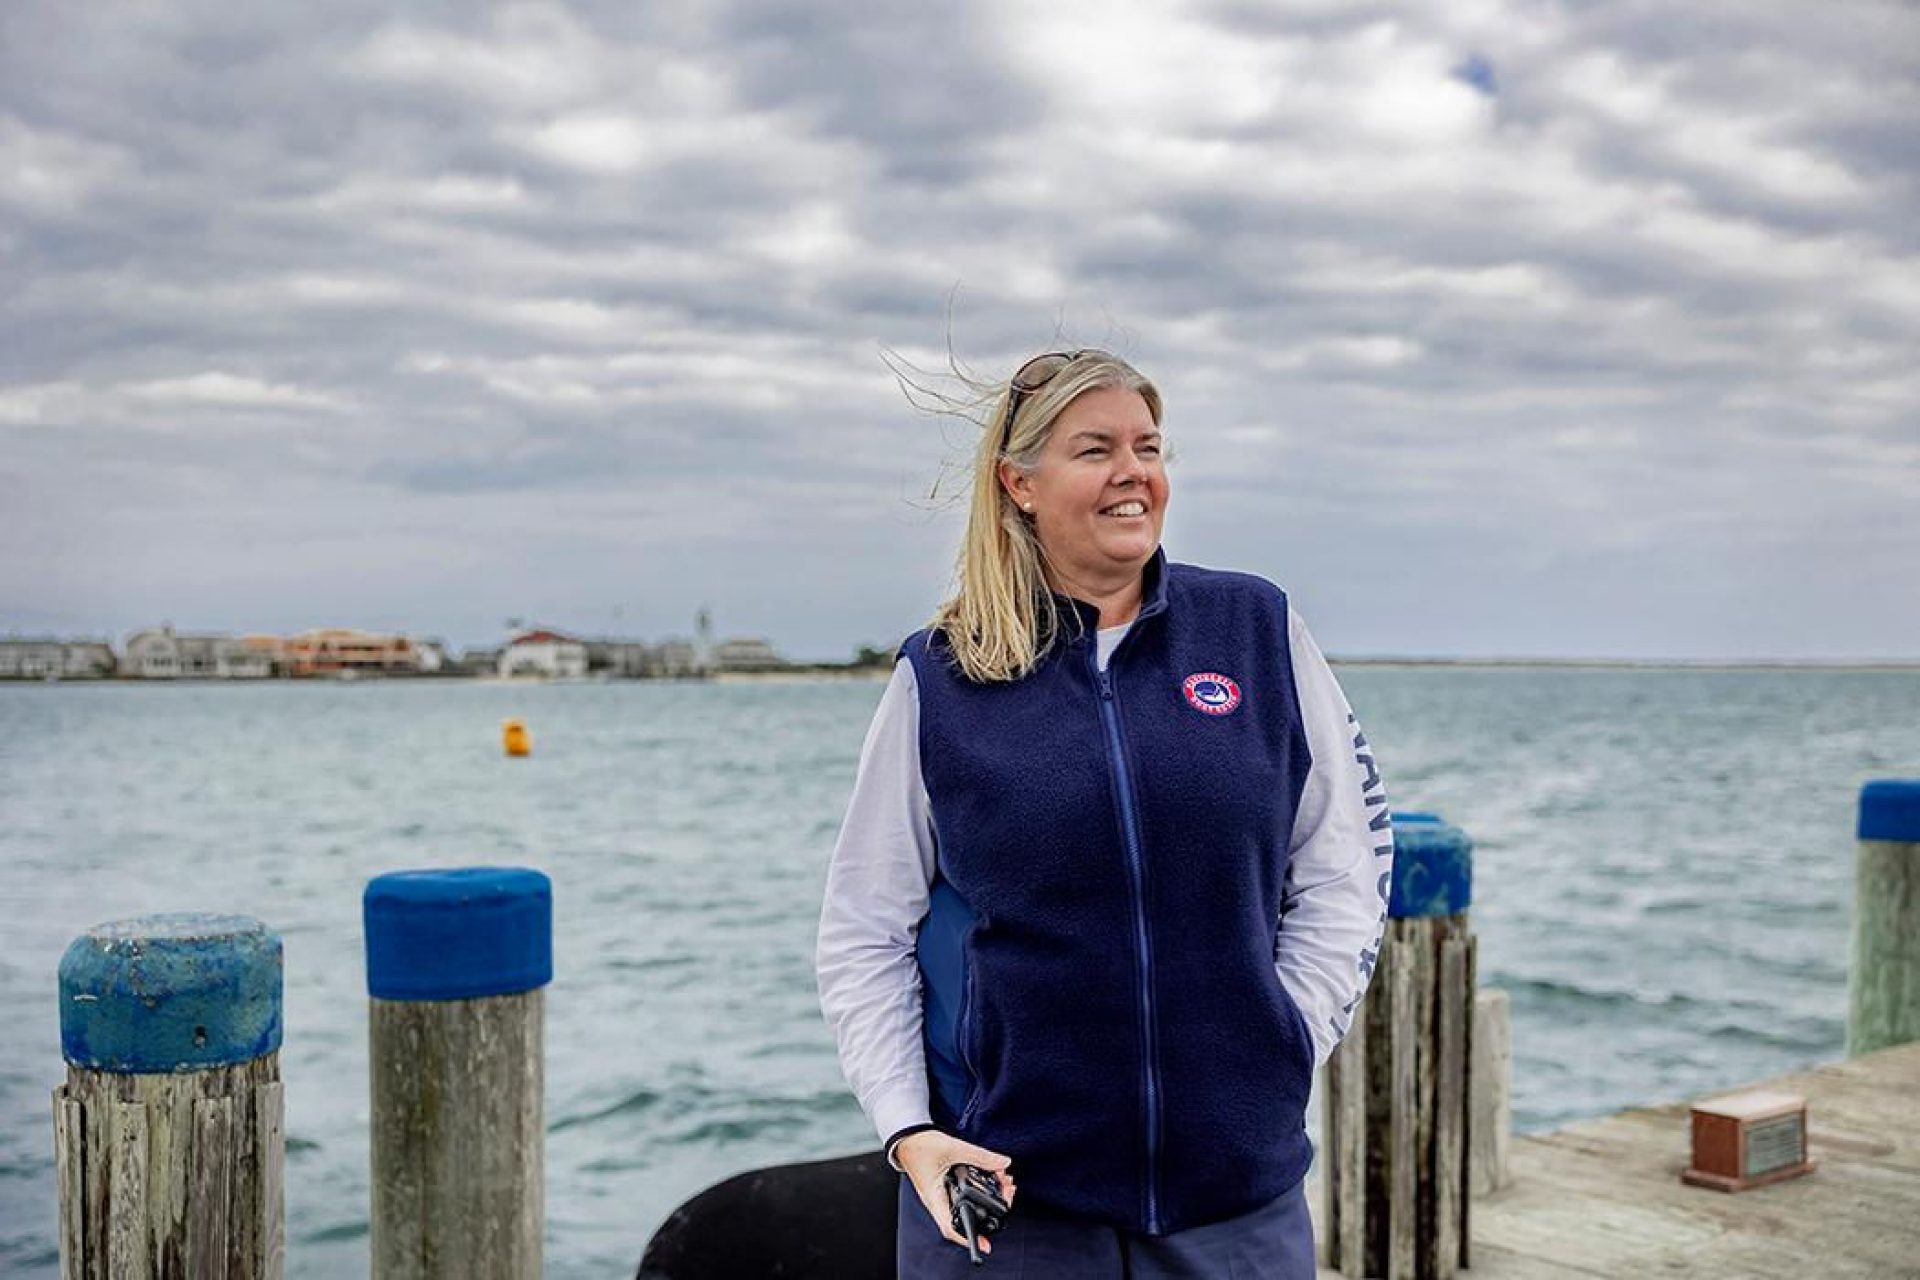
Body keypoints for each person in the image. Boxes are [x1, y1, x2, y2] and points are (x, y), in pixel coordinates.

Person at [817, 349, 1392, 1277]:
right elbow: (866, 929)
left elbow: (1343, 865)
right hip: (1003, 1209)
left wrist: (1282, 1041)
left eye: (1148, 446)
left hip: (1233, 1204)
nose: (1133, 472)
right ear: (1022, 483)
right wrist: (910, 1129)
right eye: (1095, 449)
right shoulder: (943, 676)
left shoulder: (1256, 629)